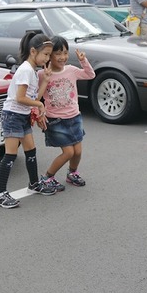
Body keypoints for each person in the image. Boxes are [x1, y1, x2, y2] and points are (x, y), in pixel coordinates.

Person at [0, 32, 56, 208]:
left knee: (31, 150)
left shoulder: (33, 72)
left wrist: (46, 81)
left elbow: (34, 96)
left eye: (49, 55)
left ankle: (34, 184)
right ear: (33, 51)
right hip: (12, 115)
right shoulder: (25, 70)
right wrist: (39, 106)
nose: (47, 58)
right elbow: (20, 98)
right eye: (45, 54)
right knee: (10, 154)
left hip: (22, 115)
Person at [37, 36, 95, 190]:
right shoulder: (42, 74)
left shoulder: (71, 70)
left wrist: (83, 61)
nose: (62, 57)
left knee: (77, 151)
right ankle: (47, 177)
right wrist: (38, 113)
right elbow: (35, 96)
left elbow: (90, 75)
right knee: (68, 152)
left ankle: (72, 173)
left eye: (65, 52)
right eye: (58, 53)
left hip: (74, 117)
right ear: (50, 55)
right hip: (56, 120)